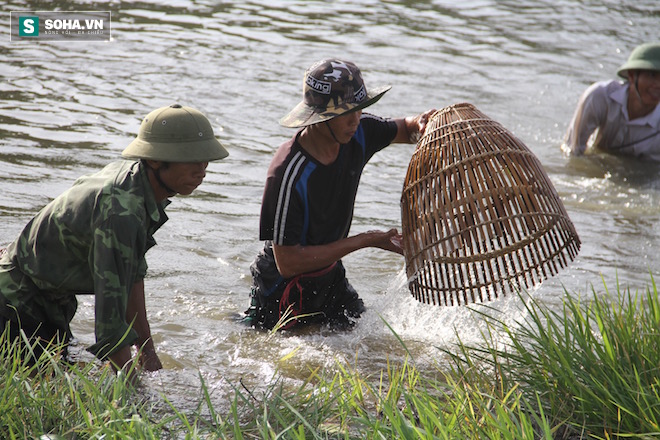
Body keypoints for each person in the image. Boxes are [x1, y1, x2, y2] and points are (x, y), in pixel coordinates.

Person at [0, 104, 228, 376]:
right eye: (191, 159)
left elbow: (131, 276)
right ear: (155, 159)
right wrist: (133, 391)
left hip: (48, 304)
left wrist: (147, 351)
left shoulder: (137, 184)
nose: (201, 171)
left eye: (205, 161)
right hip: (18, 308)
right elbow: (110, 320)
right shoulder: (122, 211)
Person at [244, 58, 435, 330]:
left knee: (369, 337)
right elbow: (287, 262)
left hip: (329, 276)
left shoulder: (359, 133)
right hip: (283, 288)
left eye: (360, 109)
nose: (356, 120)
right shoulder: (289, 172)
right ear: (320, 117)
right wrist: (367, 240)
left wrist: (423, 124)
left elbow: (406, 128)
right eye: (346, 113)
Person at [563, 42, 660, 160]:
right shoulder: (599, 97)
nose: (658, 85)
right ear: (631, 76)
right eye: (652, 75)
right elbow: (573, 150)